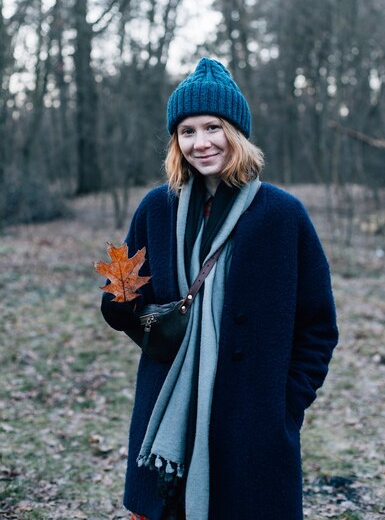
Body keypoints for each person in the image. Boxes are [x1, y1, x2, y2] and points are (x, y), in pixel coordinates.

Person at [101, 57, 338, 520]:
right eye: (186, 131)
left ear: (237, 133)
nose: (201, 142)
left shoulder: (282, 215)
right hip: (168, 412)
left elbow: (318, 327)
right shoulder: (157, 208)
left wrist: (286, 407)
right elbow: (122, 307)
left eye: (213, 127)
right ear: (176, 141)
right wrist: (123, 302)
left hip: (254, 423)